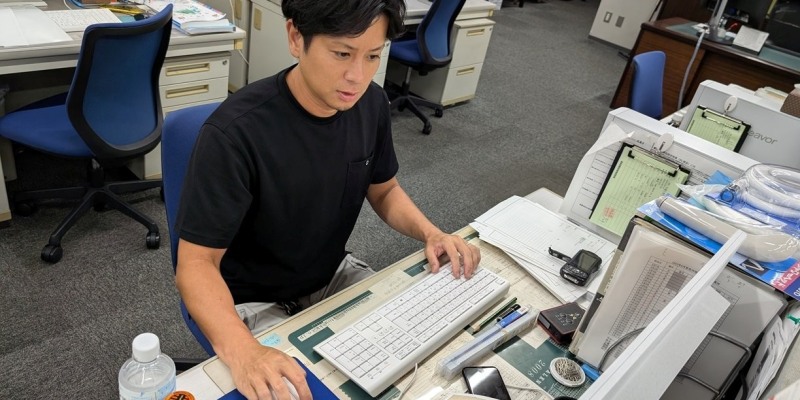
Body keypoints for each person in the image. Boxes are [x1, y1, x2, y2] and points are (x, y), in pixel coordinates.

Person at [174, 0, 481, 398]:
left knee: (424, 355)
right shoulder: (234, 134)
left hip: (332, 275)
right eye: (342, 53)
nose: (358, 76)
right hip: (250, 301)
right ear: (295, 37)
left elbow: (384, 189)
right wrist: (244, 351)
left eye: (372, 56)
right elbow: (195, 265)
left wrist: (431, 233)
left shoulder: (370, 104)